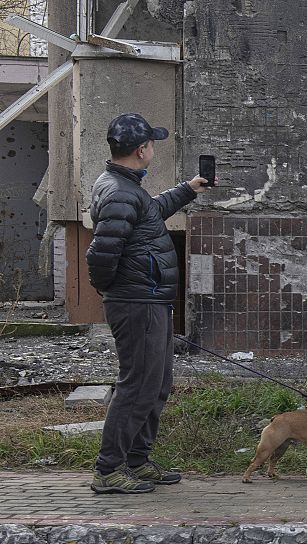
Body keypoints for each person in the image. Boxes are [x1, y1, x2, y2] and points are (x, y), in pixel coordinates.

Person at [85, 113, 212, 494]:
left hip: (146, 301)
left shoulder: (126, 187)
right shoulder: (121, 192)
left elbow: (149, 215)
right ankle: (109, 469)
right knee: (138, 386)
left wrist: (188, 188)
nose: (153, 148)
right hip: (137, 303)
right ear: (142, 150)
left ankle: (136, 461)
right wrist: (119, 291)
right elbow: (100, 256)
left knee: (156, 383)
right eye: (152, 143)